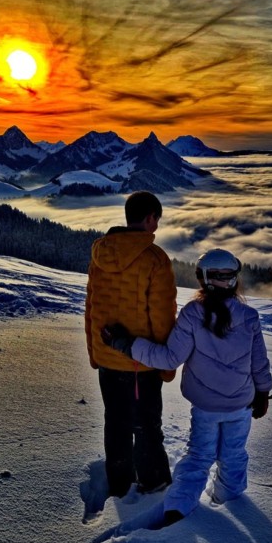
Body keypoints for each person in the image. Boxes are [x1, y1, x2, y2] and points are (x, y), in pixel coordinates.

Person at [101, 248, 272, 526]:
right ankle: (227, 502)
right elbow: (259, 363)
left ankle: (178, 508)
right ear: (234, 280)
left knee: (198, 457)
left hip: (205, 407)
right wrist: (262, 394)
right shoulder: (250, 317)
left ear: (202, 279)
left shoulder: (193, 314)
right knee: (233, 455)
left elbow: (169, 357)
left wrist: (125, 344)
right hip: (241, 405)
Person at [85, 191, 177, 498]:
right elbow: (162, 319)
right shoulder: (155, 260)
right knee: (147, 426)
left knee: (116, 424)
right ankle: (154, 483)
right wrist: (166, 365)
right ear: (150, 217)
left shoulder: (100, 252)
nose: (156, 228)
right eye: (156, 221)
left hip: (107, 357)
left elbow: (91, 307)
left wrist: (94, 353)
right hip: (142, 362)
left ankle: (119, 482)